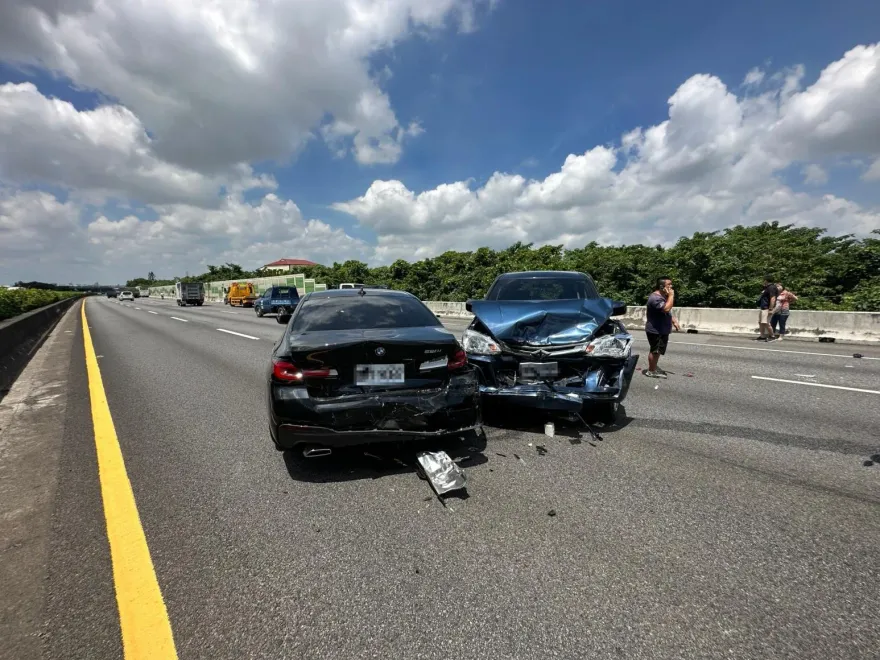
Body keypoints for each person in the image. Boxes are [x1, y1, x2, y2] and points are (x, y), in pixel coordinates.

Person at [644, 276, 681, 379]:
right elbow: (666, 308)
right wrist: (671, 295)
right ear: (661, 286)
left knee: (658, 350)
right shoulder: (655, 298)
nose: (671, 286)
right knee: (655, 351)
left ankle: (654, 366)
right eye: (669, 284)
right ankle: (651, 371)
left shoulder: (663, 296)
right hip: (656, 330)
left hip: (662, 329)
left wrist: (673, 321)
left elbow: (667, 311)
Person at [757, 276, 779, 341]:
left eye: (764, 280)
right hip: (763, 307)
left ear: (766, 280)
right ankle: (762, 336)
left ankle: (772, 336)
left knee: (766, 323)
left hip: (767, 307)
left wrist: (771, 308)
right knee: (761, 322)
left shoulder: (772, 287)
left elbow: (773, 298)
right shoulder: (767, 287)